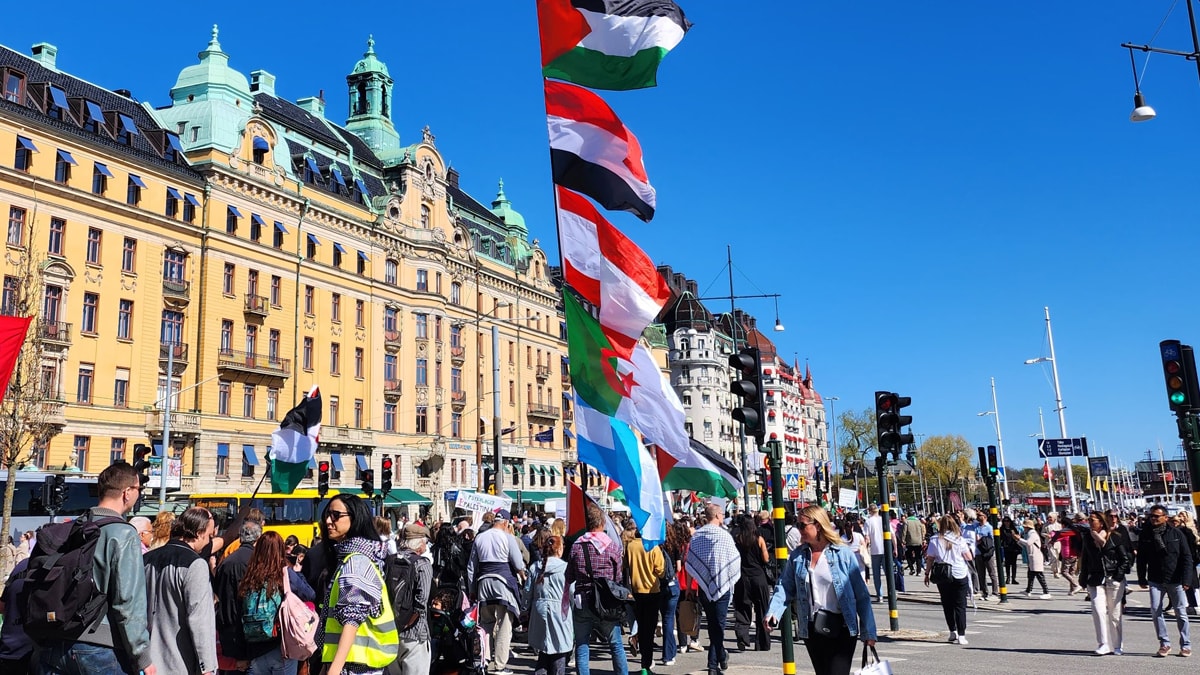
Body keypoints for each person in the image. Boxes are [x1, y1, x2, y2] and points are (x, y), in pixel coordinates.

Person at [36, 462, 155, 675]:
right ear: (127, 492)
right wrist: (142, 656)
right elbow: (128, 602)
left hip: (54, 641)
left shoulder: (74, 527)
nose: (139, 494)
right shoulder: (123, 533)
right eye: (139, 489)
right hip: (99, 647)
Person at [766, 506, 876, 675]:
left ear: (817, 525)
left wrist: (868, 631)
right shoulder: (798, 556)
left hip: (842, 628)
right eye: (797, 525)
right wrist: (773, 612)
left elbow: (862, 595)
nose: (798, 529)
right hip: (813, 628)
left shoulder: (843, 554)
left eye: (802, 525)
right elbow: (785, 586)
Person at [317, 494, 399, 675]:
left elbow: (352, 620)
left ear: (355, 518)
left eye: (336, 515)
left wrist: (333, 670)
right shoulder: (353, 558)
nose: (328, 521)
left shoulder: (356, 562)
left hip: (354, 667)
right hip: (353, 665)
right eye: (327, 515)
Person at [142, 506, 219, 675]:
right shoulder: (196, 565)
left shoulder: (146, 558)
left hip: (147, 660)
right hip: (178, 662)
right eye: (209, 535)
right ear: (199, 533)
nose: (209, 541)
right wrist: (208, 667)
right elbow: (200, 620)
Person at [237, 531, 316, 675]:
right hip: (281, 647)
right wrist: (298, 572)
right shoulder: (284, 574)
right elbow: (310, 594)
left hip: (255, 650)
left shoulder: (249, 576)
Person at [566, 501, 628, 675]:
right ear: (602, 523)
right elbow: (618, 578)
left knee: (582, 644)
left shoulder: (577, 546)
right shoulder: (612, 547)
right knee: (616, 644)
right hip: (606, 601)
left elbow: (569, 577)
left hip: (583, 601)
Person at [467, 509, 525, 675]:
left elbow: (471, 567)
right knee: (504, 626)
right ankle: (499, 665)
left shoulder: (480, 537)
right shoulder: (508, 537)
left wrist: (472, 589)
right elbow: (518, 564)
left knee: (486, 624)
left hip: (483, 583)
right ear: (506, 522)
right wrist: (523, 576)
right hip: (503, 583)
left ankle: (484, 660)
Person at [686, 503, 741, 675]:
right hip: (722, 586)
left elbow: (690, 562)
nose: (723, 516)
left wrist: (689, 587)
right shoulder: (725, 536)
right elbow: (734, 560)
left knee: (713, 624)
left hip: (704, 586)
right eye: (722, 514)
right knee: (719, 625)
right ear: (717, 516)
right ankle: (714, 663)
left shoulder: (697, 536)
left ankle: (719, 658)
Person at [1137, 504, 1194, 658]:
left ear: (1165, 517)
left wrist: (1187, 579)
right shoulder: (1146, 534)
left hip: (1175, 579)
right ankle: (1164, 643)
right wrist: (1141, 577)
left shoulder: (1176, 533)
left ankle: (1186, 645)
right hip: (1155, 579)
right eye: (1151, 516)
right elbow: (1141, 558)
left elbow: (1187, 557)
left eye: (1156, 516)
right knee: (1155, 610)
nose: (1153, 519)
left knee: (1180, 612)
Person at [1077, 511, 1132, 656]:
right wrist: (1083, 577)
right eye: (1089, 520)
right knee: (1098, 611)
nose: (1089, 522)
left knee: (1115, 614)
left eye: (1092, 520)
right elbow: (1085, 558)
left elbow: (1125, 559)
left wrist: (1118, 576)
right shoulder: (1088, 538)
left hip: (1113, 578)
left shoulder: (1114, 537)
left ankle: (1117, 645)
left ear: (1101, 522)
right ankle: (1103, 644)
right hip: (1095, 578)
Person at [215, 520, 265, 675]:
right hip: (248, 628)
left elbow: (217, 591)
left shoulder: (226, 561)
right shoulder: (257, 562)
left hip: (226, 626)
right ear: (258, 539)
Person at [924, 514, 973, 645]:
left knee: (947, 604)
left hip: (943, 574)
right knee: (960, 605)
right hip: (959, 573)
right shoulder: (959, 539)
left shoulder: (934, 539)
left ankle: (953, 631)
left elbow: (930, 558)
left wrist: (927, 573)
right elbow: (968, 557)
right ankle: (962, 635)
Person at [528, 535, 573, 675]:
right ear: (559, 549)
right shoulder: (565, 568)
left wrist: (524, 610)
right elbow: (572, 592)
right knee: (559, 650)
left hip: (539, 609)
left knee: (544, 649)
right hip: (560, 611)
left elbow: (527, 591)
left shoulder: (535, 567)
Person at [394, 523, 434, 675]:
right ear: (419, 543)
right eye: (425, 542)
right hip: (415, 633)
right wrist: (407, 623)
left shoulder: (389, 560)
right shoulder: (422, 564)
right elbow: (421, 601)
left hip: (390, 631)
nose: (426, 545)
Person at [625, 526, 665, 675]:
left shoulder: (630, 546)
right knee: (649, 630)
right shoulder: (652, 546)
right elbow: (661, 570)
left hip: (636, 591)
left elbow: (625, 566)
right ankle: (646, 665)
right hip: (652, 591)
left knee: (641, 627)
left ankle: (644, 662)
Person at [732, 515, 771, 652]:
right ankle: (762, 642)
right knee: (762, 608)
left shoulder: (737, 539)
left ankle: (742, 635)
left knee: (742, 607)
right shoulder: (759, 539)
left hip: (742, 577)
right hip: (758, 576)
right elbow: (766, 559)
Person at [659, 521, 685, 666]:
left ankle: (668, 652)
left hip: (659, 585)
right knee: (669, 619)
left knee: (664, 618)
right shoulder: (674, 544)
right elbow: (679, 567)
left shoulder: (656, 545)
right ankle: (668, 655)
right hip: (672, 584)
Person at [0, 557, 33, 670]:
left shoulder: (22, 565)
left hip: (10, 649)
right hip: (39, 653)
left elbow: (2, 606)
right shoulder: (62, 564)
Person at [1014, 519, 1051, 599]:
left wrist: (1019, 539)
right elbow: (1025, 545)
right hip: (1032, 556)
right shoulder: (1028, 534)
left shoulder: (1033, 534)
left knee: (1039, 574)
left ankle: (1046, 592)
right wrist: (1018, 541)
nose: (1024, 528)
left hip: (1036, 556)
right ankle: (1028, 590)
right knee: (1031, 574)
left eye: (1025, 527)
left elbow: (1028, 543)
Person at [969, 511, 998, 600]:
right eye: (977, 515)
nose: (978, 517)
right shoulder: (976, 526)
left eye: (980, 515)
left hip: (987, 553)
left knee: (992, 573)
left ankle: (995, 592)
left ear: (985, 517)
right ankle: (984, 592)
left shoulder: (989, 527)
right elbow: (966, 527)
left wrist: (982, 540)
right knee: (981, 574)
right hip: (978, 552)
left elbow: (992, 540)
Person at [861, 505, 886, 602]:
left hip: (875, 550)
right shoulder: (884, 520)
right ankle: (892, 592)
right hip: (885, 549)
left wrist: (865, 548)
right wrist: (895, 548)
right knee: (888, 573)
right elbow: (892, 535)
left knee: (876, 575)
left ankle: (880, 595)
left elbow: (867, 538)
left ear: (870, 511)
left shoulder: (868, 521)